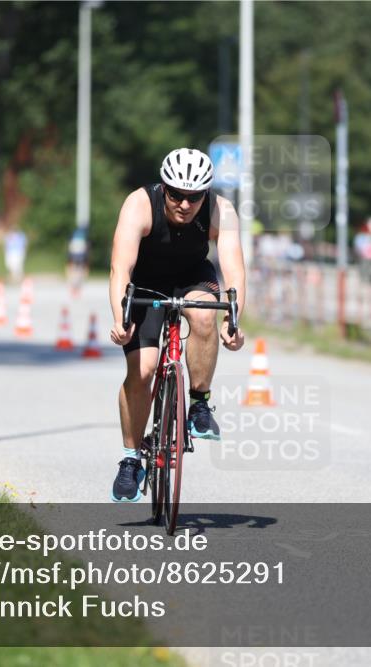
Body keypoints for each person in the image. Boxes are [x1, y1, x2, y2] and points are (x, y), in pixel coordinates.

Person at [108, 148, 246, 503]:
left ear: (206, 193)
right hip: (146, 282)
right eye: (176, 195)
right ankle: (130, 460)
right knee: (143, 369)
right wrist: (120, 318)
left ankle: (199, 403)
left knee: (204, 315)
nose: (185, 204)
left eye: (194, 197)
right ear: (164, 187)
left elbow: (234, 270)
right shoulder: (139, 204)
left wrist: (233, 320)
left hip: (191, 277)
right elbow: (121, 267)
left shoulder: (221, 210)